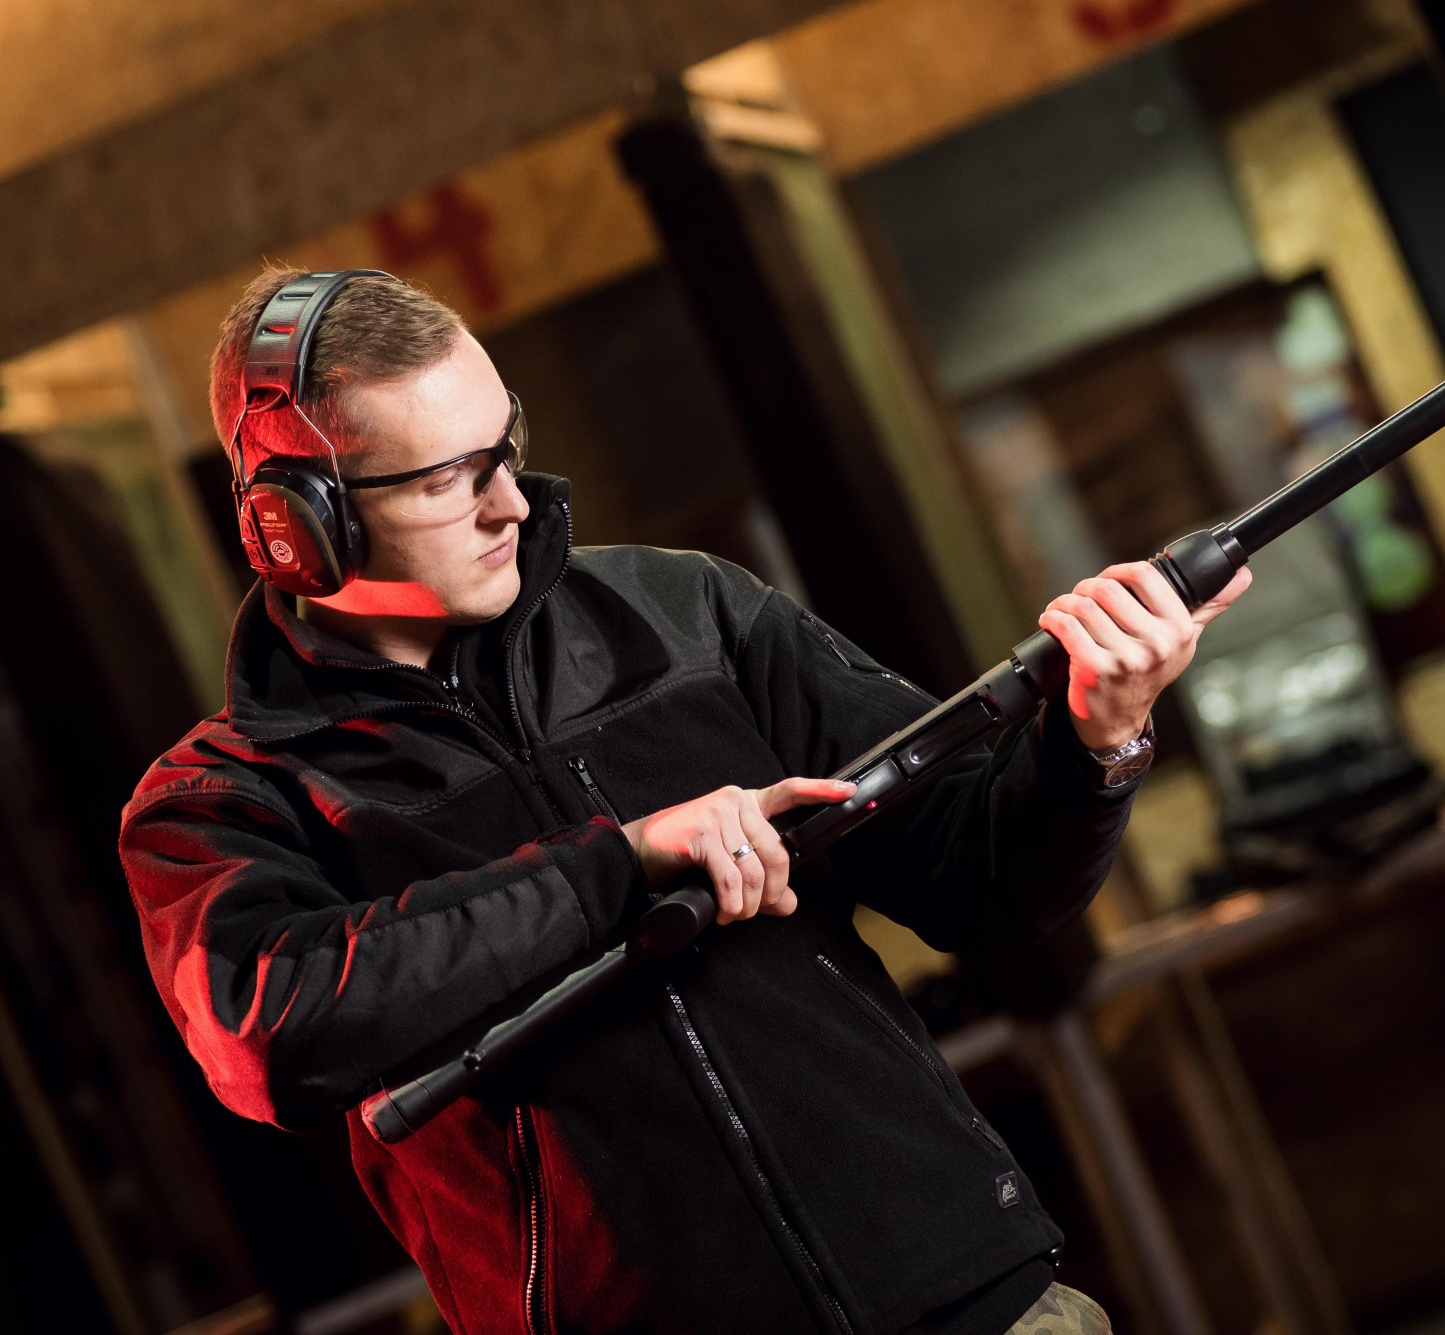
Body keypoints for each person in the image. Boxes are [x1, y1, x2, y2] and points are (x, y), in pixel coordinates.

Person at [120, 268, 1249, 1335]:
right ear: (298, 525)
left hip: (973, 1299)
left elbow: (981, 884)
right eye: (445, 479)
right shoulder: (224, 798)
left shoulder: (686, 612)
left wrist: (1095, 739)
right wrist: (620, 864)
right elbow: (266, 1034)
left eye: (506, 447)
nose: (510, 502)